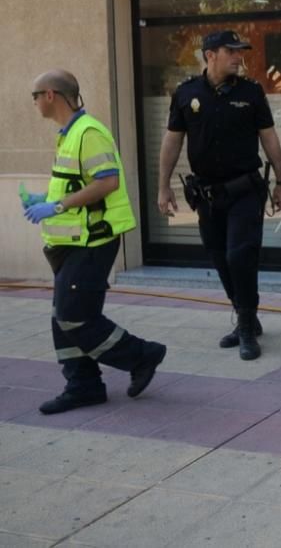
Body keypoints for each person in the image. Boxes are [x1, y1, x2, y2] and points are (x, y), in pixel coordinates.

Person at [22, 70, 167, 414]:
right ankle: (83, 384)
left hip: (93, 240)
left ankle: (142, 355)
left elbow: (108, 182)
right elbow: (76, 185)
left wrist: (55, 206)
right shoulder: (69, 135)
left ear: (52, 95)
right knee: (64, 314)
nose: (34, 102)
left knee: (75, 315)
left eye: (35, 96)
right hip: (74, 242)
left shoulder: (89, 133)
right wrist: (44, 198)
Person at [157, 30, 281, 361]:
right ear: (210, 54)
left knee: (240, 255)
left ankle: (245, 326)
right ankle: (247, 314)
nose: (238, 56)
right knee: (219, 257)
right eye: (231, 51)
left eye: (240, 51)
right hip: (207, 194)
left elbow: (269, 138)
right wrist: (163, 187)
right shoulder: (186, 93)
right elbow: (172, 141)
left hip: (245, 189)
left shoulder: (252, 92)